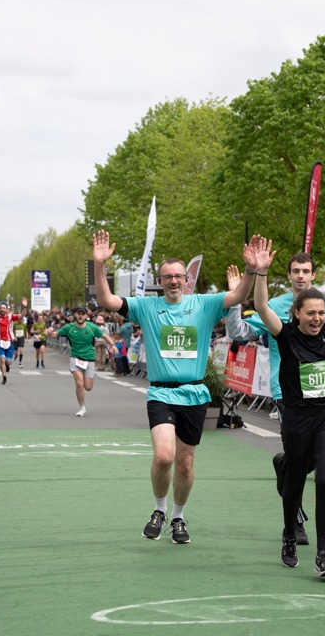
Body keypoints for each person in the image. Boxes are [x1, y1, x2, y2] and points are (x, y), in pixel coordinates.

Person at [91, 229, 256, 544]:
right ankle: (159, 509)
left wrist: (250, 270)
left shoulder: (204, 304)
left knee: (185, 462)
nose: (173, 281)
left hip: (193, 392)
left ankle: (179, 517)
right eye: (167, 277)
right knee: (165, 455)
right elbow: (106, 300)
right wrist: (101, 266)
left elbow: (237, 297)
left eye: (179, 276)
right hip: (161, 393)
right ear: (160, 280)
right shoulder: (147, 308)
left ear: (187, 279)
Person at [225, 250, 325, 545]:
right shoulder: (276, 308)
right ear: (290, 275)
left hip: (324, 399)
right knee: (300, 461)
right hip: (288, 396)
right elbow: (240, 332)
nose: (301, 276)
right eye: (295, 271)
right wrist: (235, 299)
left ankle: (286, 467)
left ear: (312, 274)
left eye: (306, 271)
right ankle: (294, 522)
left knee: (306, 464)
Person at [47, 306, 114, 417]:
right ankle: (82, 407)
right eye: (79, 313)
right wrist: (49, 331)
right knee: (79, 383)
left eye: (83, 314)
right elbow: (54, 334)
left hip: (89, 358)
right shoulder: (69, 328)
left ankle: (87, 381)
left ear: (86, 316)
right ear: (75, 315)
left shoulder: (92, 327)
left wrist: (113, 345)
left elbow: (104, 336)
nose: (80, 316)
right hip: (75, 357)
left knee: (88, 387)